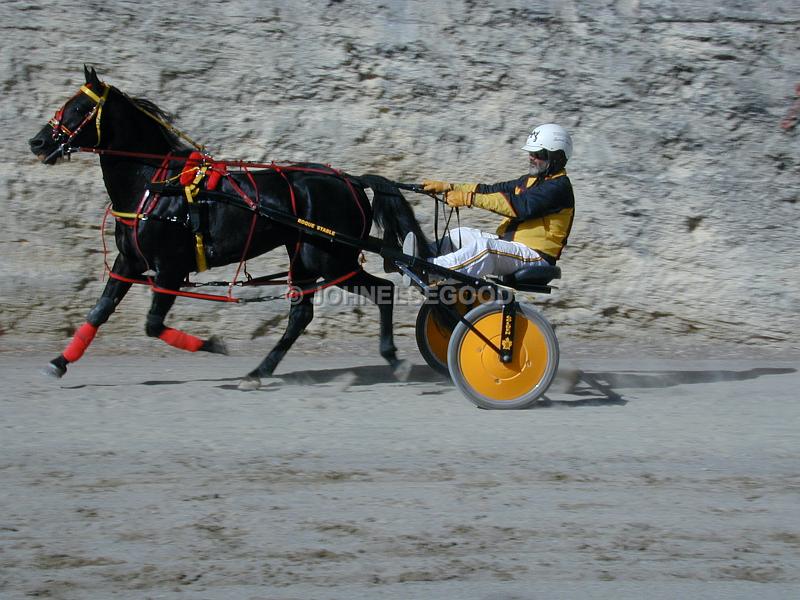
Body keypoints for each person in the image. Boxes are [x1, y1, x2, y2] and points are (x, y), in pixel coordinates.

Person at [405, 123, 574, 281]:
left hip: (536, 256)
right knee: (460, 234)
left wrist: (468, 199)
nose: (531, 157)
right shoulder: (529, 180)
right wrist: (449, 186)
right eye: (531, 152)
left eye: (539, 154)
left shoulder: (559, 187)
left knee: (486, 248)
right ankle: (419, 256)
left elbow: (520, 206)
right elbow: (490, 190)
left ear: (557, 157)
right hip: (512, 246)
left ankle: (428, 269)